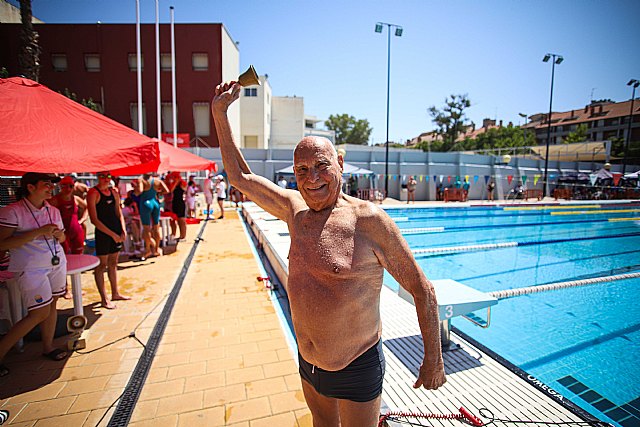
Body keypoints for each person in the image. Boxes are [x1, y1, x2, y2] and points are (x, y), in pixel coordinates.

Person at [212, 82, 445, 427]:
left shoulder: (369, 221)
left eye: (321, 166)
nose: (312, 178)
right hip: (308, 362)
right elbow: (240, 176)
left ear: (340, 162)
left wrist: (434, 359)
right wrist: (219, 114)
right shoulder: (295, 211)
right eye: (302, 170)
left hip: (356, 365)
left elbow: (423, 289)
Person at [0, 173, 69, 376]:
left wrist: (58, 234)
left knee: (53, 305)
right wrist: (38, 232)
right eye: (45, 184)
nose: (50, 188)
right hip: (31, 268)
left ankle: (47, 347)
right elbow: (2, 244)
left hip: (56, 263)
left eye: (51, 184)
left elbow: (62, 238)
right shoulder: (13, 211)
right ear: (30, 187)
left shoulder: (53, 210)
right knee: (39, 313)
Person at [87, 171, 130, 309]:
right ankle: (104, 299)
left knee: (113, 262)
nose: (106, 179)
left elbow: (119, 213)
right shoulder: (93, 193)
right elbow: (94, 220)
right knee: (101, 266)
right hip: (104, 233)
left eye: (108, 176)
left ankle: (115, 293)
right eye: (102, 176)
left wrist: (123, 230)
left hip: (116, 231)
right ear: (97, 178)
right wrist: (112, 235)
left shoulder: (114, 192)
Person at [49, 175, 87, 299]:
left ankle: (77, 287)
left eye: (71, 186)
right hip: (63, 234)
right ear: (61, 186)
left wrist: (82, 219)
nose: (68, 188)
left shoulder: (75, 199)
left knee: (78, 259)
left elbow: (86, 207)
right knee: (63, 260)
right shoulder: (55, 200)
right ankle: (65, 288)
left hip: (76, 232)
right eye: (65, 186)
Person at [135, 173, 169, 259]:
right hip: (155, 202)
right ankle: (156, 249)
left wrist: (135, 190)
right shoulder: (157, 180)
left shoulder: (141, 180)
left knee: (146, 228)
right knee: (156, 227)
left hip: (145, 203)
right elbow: (166, 190)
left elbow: (140, 191)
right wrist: (158, 192)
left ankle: (148, 250)